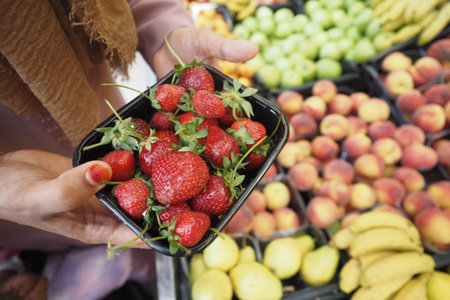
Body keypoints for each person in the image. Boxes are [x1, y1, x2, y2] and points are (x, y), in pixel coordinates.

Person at [0, 0, 258, 298]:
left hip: (116, 133)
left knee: (126, 218)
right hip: (14, 214)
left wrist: (165, 28)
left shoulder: (152, 152)